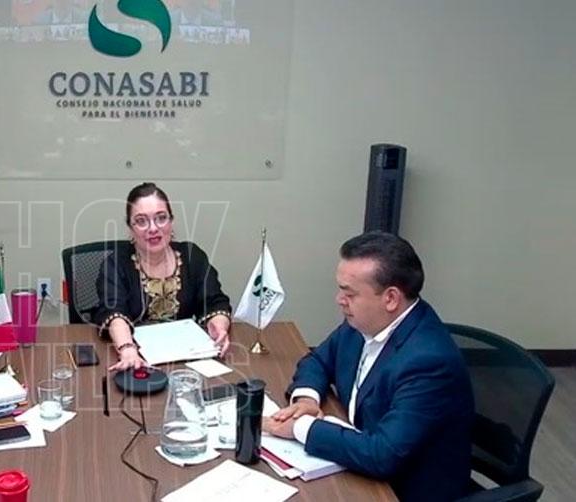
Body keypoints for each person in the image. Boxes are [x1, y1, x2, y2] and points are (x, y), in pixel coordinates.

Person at [263, 232, 473, 502]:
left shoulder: (429, 363)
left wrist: (300, 428)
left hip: (400, 490)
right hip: (358, 464)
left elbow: (382, 455)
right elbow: (318, 360)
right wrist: (306, 400)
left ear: (390, 298)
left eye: (349, 293)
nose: (339, 299)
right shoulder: (364, 322)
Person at [95, 182, 232, 371]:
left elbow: (215, 302)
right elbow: (113, 312)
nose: (153, 228)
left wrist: (219, 326)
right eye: (141, 221)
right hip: (137, 359)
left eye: (161, 218)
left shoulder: (192, 256)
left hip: (187, 359)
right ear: (131, 228)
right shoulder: (116, 263)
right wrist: (127, 348)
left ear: (171, 221)